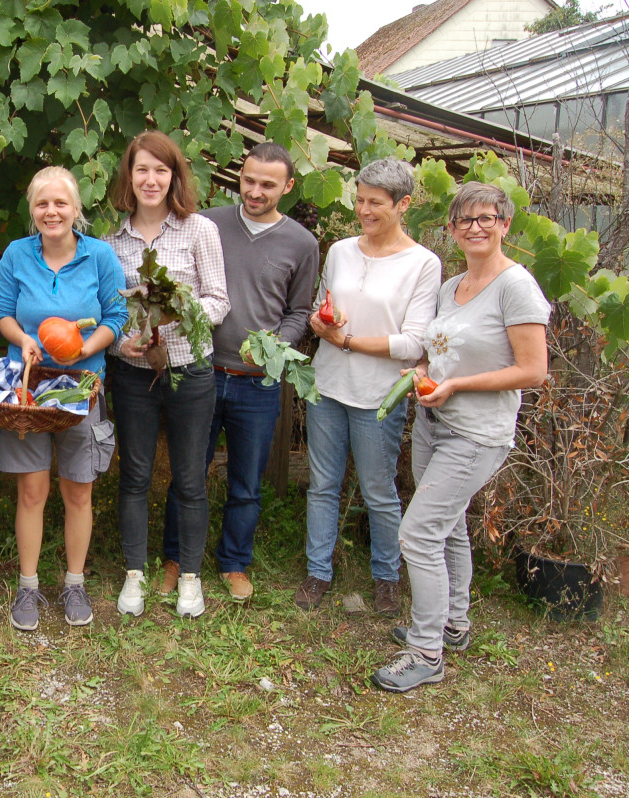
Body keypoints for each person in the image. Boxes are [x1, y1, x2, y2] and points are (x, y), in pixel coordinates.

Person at [373, 182, 549, 692]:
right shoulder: (452, 287)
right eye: (465, 220)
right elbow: (442, 351)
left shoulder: (516, 287)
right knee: (447, 528)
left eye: (486, 218)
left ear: (505, 225)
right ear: (451, 230)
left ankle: (426, 651)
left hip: (476, 433)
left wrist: (456, 386)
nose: (475, 227)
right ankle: (452, 623)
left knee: (418, 533)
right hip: (434, 424)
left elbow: (534, 370)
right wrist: (425, 371)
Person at [162, 142, 319, 603]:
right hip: (201, 370)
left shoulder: (301, 243)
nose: (254, 191)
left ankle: (233, 562)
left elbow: (300, 311)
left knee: (247, 482)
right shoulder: (207, 223)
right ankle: (175, 556)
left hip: (258, 383)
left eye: (267, 184)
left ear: (287, 187)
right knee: (188, 473)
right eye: (248, 180)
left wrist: (275, 346)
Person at [297, 157, 441, 616]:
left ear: (404, 205)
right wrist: (326, 323)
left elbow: (415, 340)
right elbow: (321, 308)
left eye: (375, 203)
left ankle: (386, 578)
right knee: (322, 484)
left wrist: (350, 340)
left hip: (378, 395)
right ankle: (317, 571)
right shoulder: (340, 250)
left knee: (379, 489)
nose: (364, 210)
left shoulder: (422, 263)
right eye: (359, 200)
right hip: (328, 385)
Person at [0, 166, 128, 631]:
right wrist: (23, 339)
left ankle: (74, 582)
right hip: (27, 390)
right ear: (32, 210)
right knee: (32, 491)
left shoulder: (100, 257)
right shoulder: (16, 254)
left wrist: (84, 348)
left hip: (81, 391)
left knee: (78, 490)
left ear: (76, 209)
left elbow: (116, 315)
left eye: (61, 203)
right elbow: (3, 315)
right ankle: (27, 588)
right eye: (42, 204)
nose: (52, 212)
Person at [105, 131, 230, 619]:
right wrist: (122, 341)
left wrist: (180, 311)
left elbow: (219, 300)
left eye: (161, 170)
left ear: (174, 176)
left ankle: (191, 578)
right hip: (134, 374)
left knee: (190, 478)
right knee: (134, 476)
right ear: (129, 177)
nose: (151, 179)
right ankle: (135, 573)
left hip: (190, 372)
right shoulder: (112, 241)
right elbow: (107, 312)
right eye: (142, 169)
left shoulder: (199, 231)